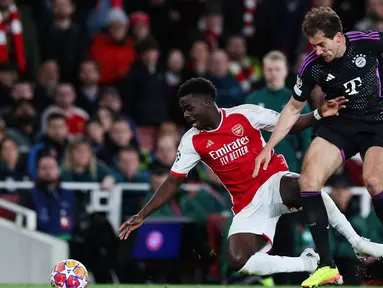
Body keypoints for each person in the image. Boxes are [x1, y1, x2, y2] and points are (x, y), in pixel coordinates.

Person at [119, 77, 383, 280]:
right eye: (183, 111)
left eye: (189, 108)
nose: (186, 116)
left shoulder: (243, 114)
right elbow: (173, 181)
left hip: (273, 182)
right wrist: (143, 214)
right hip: (247, 204)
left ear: (208, 102)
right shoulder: (192, 141)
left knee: (306, 186)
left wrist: (316, 114)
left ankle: (357, 243)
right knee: (237, 261)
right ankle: (308, 263)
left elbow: (286, 125)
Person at [254, 6, 383, 287]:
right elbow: (291, 109)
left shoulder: (369, 41)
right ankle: (327, 266)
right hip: (338, 123)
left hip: (376, 123)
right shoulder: (312, 65)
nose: (318, 51)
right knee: (308, 182)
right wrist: (269, 146)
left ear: (339, 37)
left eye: (322, 44)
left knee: (374, 182)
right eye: (313, 45)